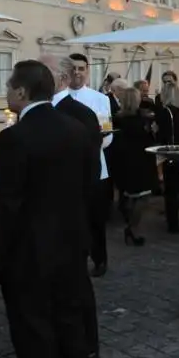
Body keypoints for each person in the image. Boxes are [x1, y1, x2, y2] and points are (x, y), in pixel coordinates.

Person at [0, 60, 96, 358]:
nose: (5, 91)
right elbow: (89, 188)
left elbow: (4, 205)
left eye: (8, 86)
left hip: (29, 256)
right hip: (71, 247)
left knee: (35, 338)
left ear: (21, 90)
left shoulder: (15, 138)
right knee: (71, 329)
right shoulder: (77, 129)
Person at [39, 54, 102, 358]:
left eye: (45, 71)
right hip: (52, 219)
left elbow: (89, 170)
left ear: (61, 80)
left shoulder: (79, 114)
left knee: (76, 284)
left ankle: (86, 344)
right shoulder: (47, 113)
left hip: (69, 216)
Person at [68, 53, 113, 278]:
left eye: (81, 68)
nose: (77, 73)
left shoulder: (100, 99)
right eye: (73, 68)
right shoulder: (57, 100)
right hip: (66, 171)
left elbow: (107, 136)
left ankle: (100, 259)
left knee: (96, 219)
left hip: (96, 168)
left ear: (88, 71)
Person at [112, 88, 157, 246]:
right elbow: (148, 139)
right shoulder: (142, 119)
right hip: (141, 161)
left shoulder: (118, 118)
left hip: (125, 160)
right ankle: (132, 228)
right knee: (142, 197)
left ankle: (131, 225)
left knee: (131, 195)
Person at [155, 80, 179, 233]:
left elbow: (161, 134)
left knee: (170, 192)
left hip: (169, 153)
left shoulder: (164, 112)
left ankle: (173, 224)